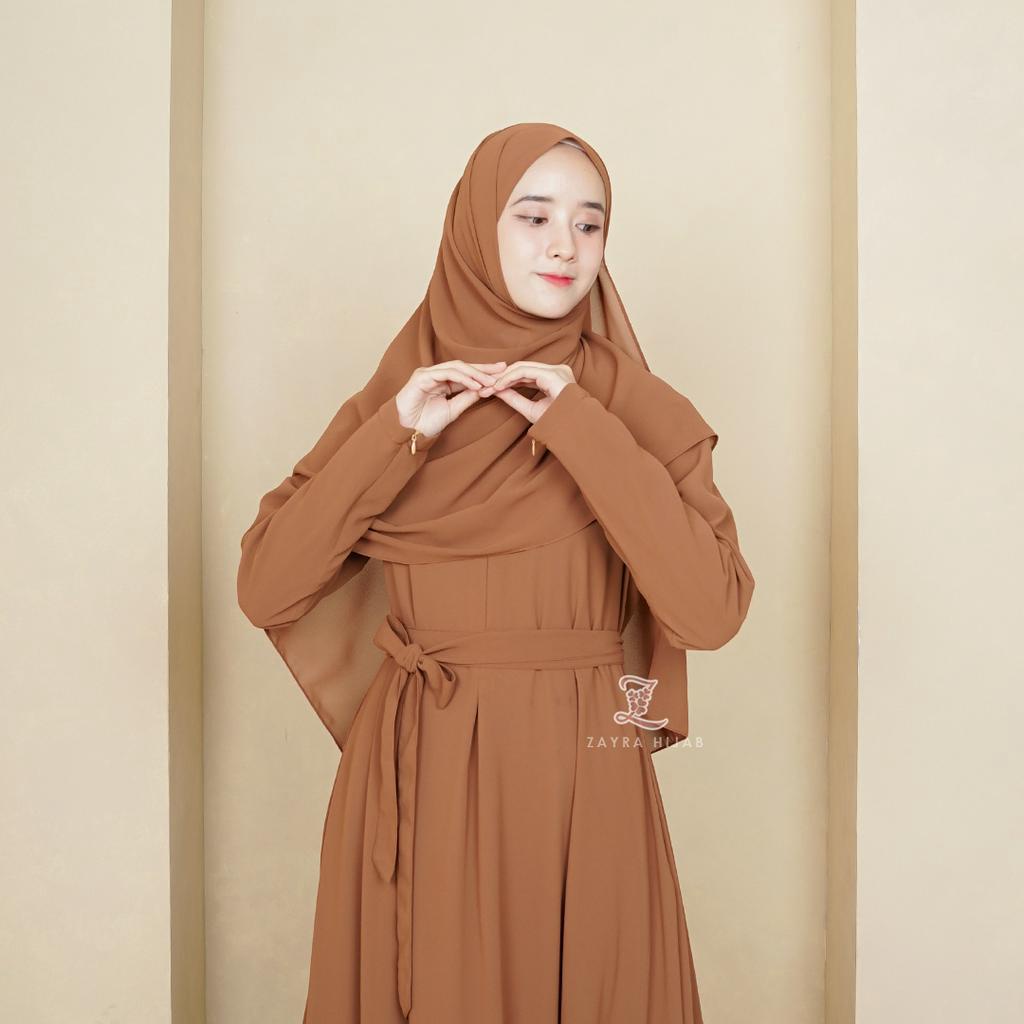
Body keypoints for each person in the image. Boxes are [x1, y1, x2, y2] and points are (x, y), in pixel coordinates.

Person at [237, 122, 755, 1023]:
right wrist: (397, 435)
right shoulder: (401, 399)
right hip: (420, 771)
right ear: (476, 230)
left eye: (589, 224)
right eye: (534, 216)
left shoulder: (636, 407)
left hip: (581, 779)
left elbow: (710, 612)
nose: (565, 247)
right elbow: (267, 589)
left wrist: (581, 428)